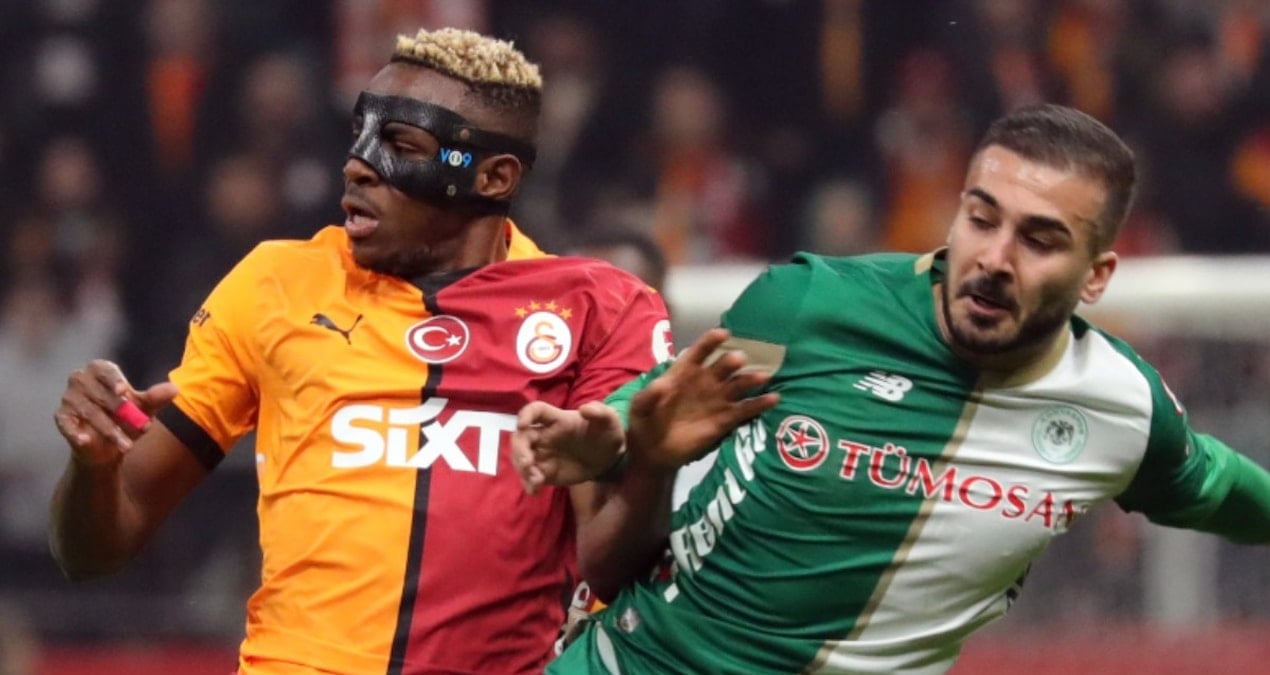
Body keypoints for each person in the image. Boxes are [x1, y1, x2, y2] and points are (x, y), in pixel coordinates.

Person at [513, 103, 1270, 674]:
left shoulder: (1121, 407)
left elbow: (1221, 489)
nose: (995, 258)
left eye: (1039, 240)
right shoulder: (807, 305)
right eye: (982, 219)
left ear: (1097, 276)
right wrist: (602, 433)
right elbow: (663, 399)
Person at [47, 28, 673, 675]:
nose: (358, 165)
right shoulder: (276, 285)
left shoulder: (597, 309)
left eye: (402, 145)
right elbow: (94, 549)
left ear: (493, 177)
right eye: (360, 135)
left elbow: (613, 565)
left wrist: (646, 460)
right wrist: (93, 466)